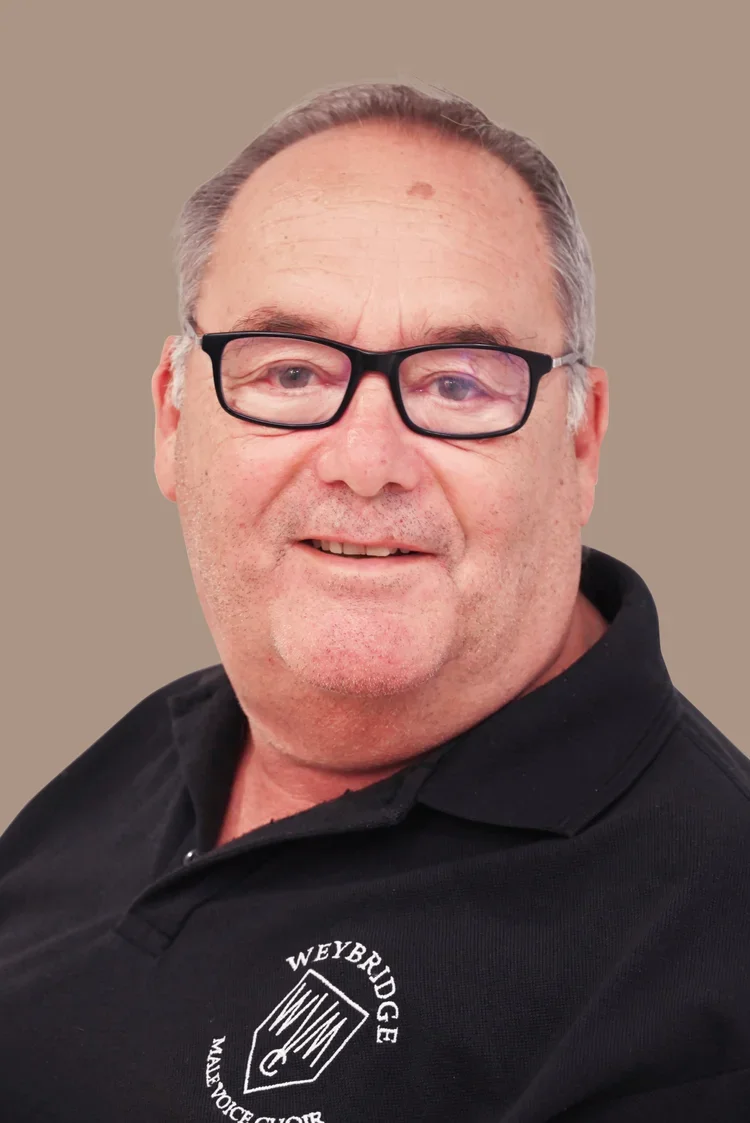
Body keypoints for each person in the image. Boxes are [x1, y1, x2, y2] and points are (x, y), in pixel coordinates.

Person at [1, 81, 748, 1123]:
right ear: (174, 420)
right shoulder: (168, 736)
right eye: (290, 373)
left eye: (459, 384)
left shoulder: (706, 973)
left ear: (580, 441)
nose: (365, 461)